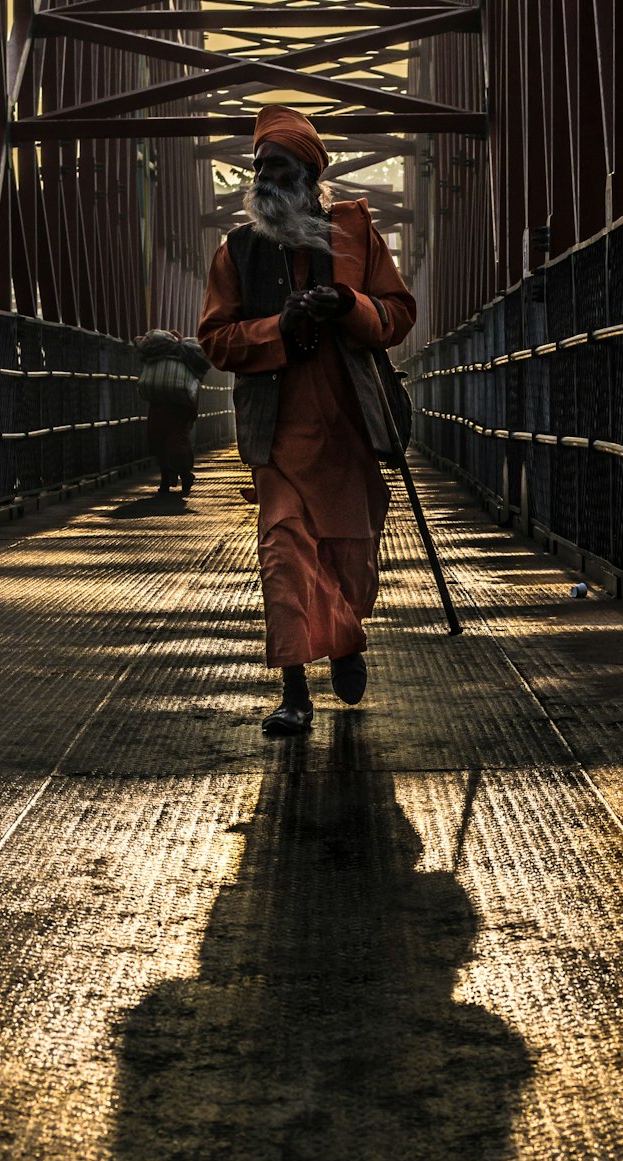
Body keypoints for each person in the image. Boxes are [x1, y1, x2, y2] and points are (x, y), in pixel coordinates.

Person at [198, 105, 416, 735]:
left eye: (280, 165)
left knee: (350, 560)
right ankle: (295, 692)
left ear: (310, 176)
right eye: (260, 165)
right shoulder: (235, 252)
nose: (266, 174)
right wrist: (278, 327)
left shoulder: (355, 236)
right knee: (285, 559)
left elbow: (397, 314)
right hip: (279, 440)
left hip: (349, 433)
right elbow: (215, 340)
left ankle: (346, 643)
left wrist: (349, 303)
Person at [135, 329, 210, 497]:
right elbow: (193, 385)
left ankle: (169, 480)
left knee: (158, 440)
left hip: (159, 406)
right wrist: (193, 410)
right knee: (178, 442)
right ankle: (183, 476)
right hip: (180, 407)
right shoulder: (187, 357)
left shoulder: (159, 355)